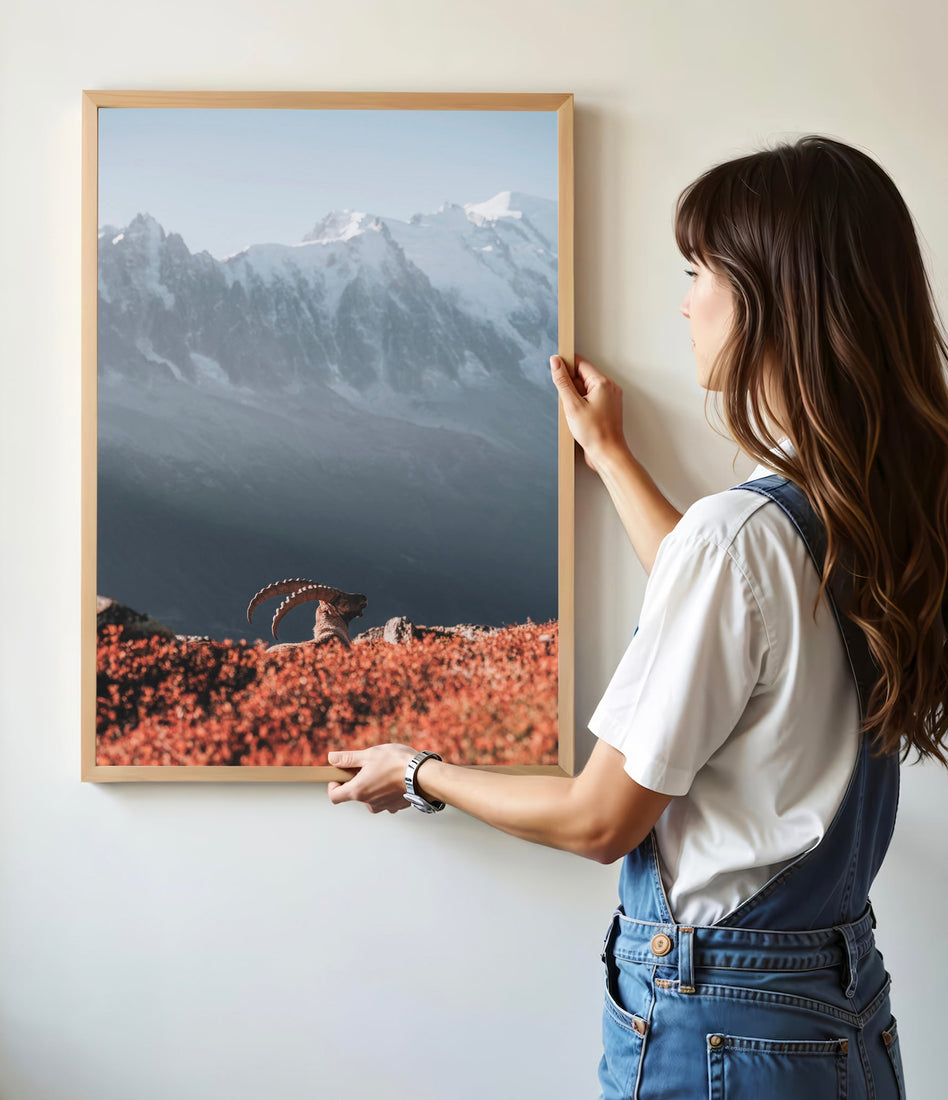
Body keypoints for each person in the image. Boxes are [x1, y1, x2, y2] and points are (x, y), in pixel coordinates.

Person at [325, 134, 948, 1098]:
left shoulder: (742, 535)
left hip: (721, 1027)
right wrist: (612, 456)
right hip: (836, 1012)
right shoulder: (868, 508)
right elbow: (738, 624)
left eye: (700, 271)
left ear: (773, 300)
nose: (686, 299)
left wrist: (418, 770)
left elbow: (598, 819)